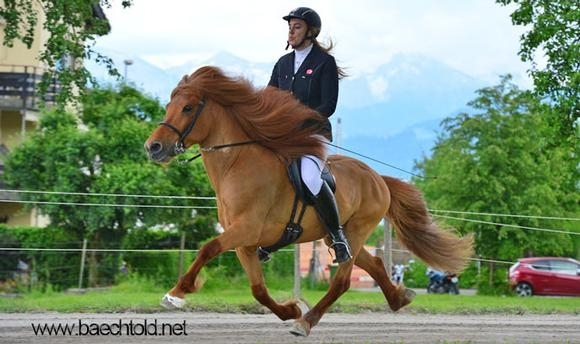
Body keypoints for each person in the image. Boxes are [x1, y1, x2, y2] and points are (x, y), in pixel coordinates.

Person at [268, 7, 351, 263]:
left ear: (311, 32)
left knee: (310, 176)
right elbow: (268, 98)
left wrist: (302, 121)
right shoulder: (282, 64)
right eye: (290, 27)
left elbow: (329, 105)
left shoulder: (324, 63)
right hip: (284, 136)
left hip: (313, 134)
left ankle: (338, 237)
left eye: (297, 27)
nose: (291, 32)